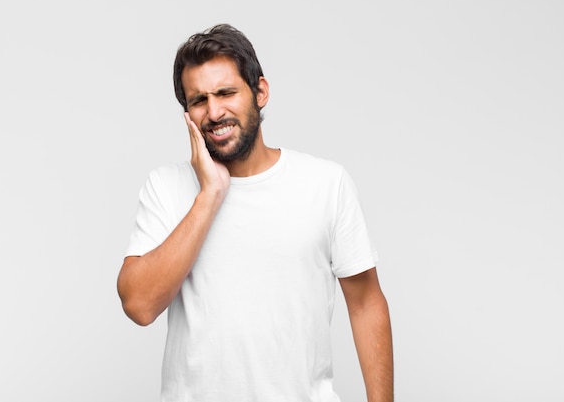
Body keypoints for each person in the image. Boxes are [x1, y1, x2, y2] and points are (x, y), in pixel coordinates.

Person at [117, 24, 393, 402]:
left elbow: (365, 303)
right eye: (199, 100)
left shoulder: (325, 183)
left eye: (226, 93)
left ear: (260, 92)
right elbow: (139, 305)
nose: (214, 112)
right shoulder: (165, 187)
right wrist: (210, 195)